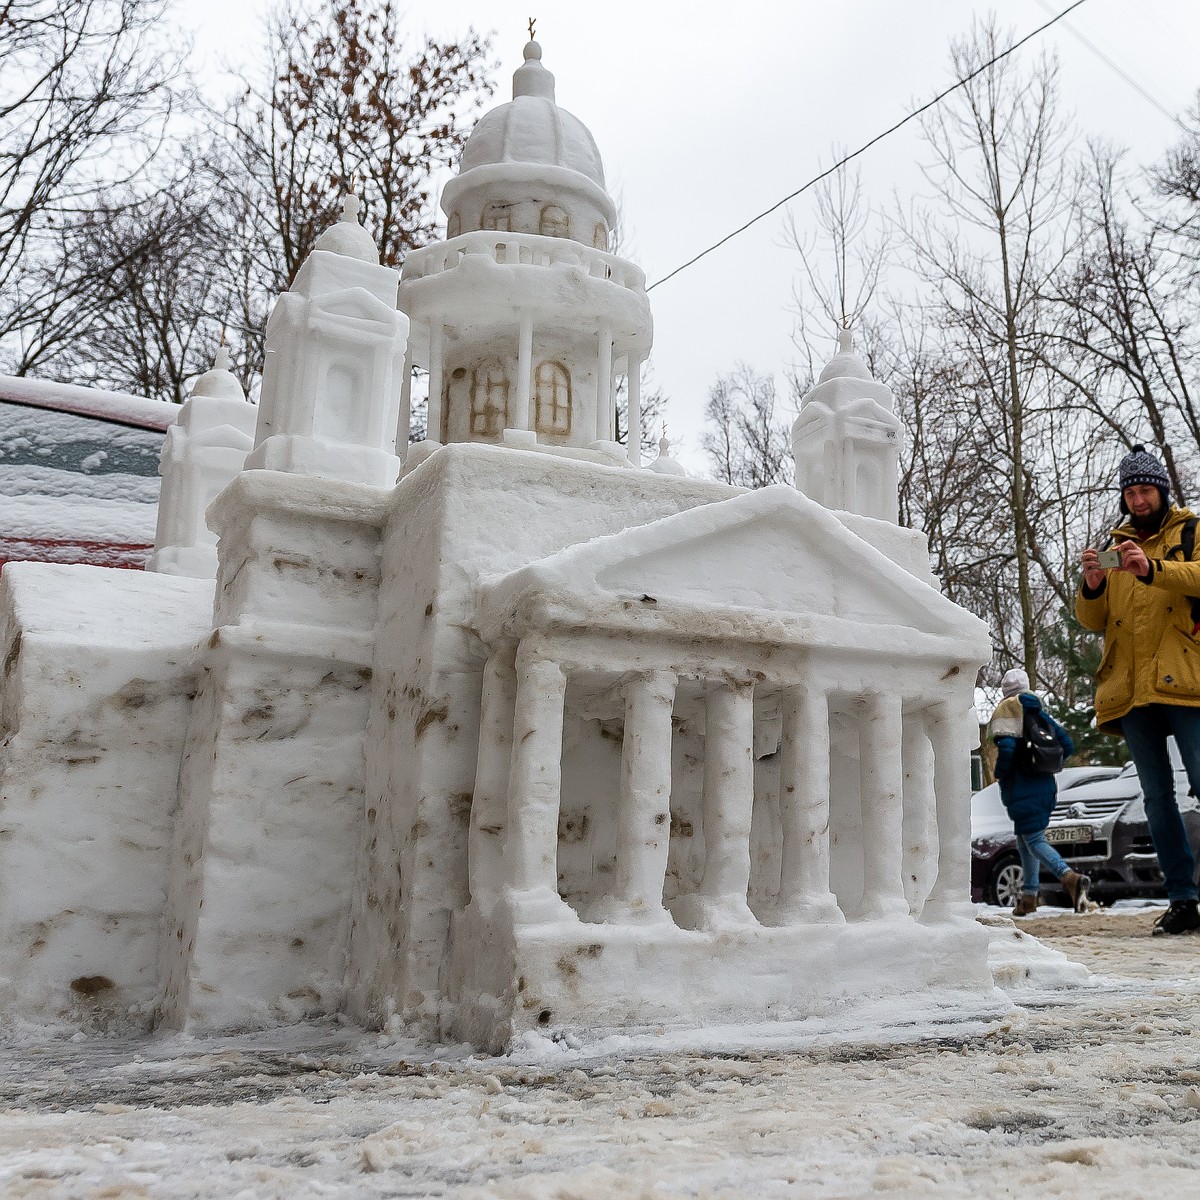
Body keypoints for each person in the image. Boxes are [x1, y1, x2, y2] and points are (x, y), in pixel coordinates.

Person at [1077, 444, 1200, 936]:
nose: (1138, 499)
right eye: (1130, 492)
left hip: (1188, 680)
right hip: (1132, 690)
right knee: (1156, 798)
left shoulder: (1191, 532)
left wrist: (1152, 569)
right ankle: (1183, 900)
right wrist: (1091, 583)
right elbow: (1093, 620)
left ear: (1162, 492)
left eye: (1146, 490)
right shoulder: (1114, 544)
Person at [989, 668, 1087, 916]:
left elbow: (1008, 748)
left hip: (1022, 787)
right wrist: (1044, 763)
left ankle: (1069, 877)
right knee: (1024, 841)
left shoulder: (1009, 710)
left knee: (1034, 840)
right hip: (1045, 786)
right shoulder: (1039, 712)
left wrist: (1000, 772)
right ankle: (1029, 897)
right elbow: (1068, 745)